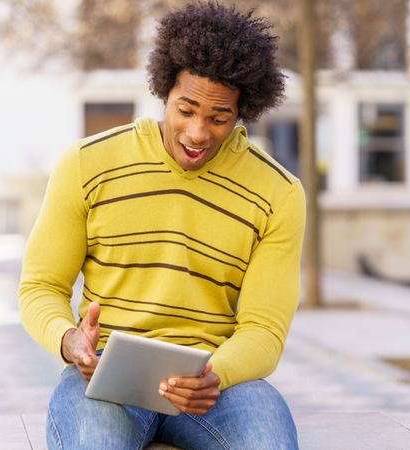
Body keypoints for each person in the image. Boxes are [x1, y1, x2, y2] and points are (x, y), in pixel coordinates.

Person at [19, 2, 305, 449]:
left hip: (216, 384)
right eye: (185, 109)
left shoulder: (278, 193)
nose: (197, 133)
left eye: (218, 118)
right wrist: (69, 339)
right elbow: (40, 286)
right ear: (164, 91)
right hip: (107, 378)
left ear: (243, 111)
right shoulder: (87, 163)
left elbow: (264, 331)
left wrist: (215, 374)